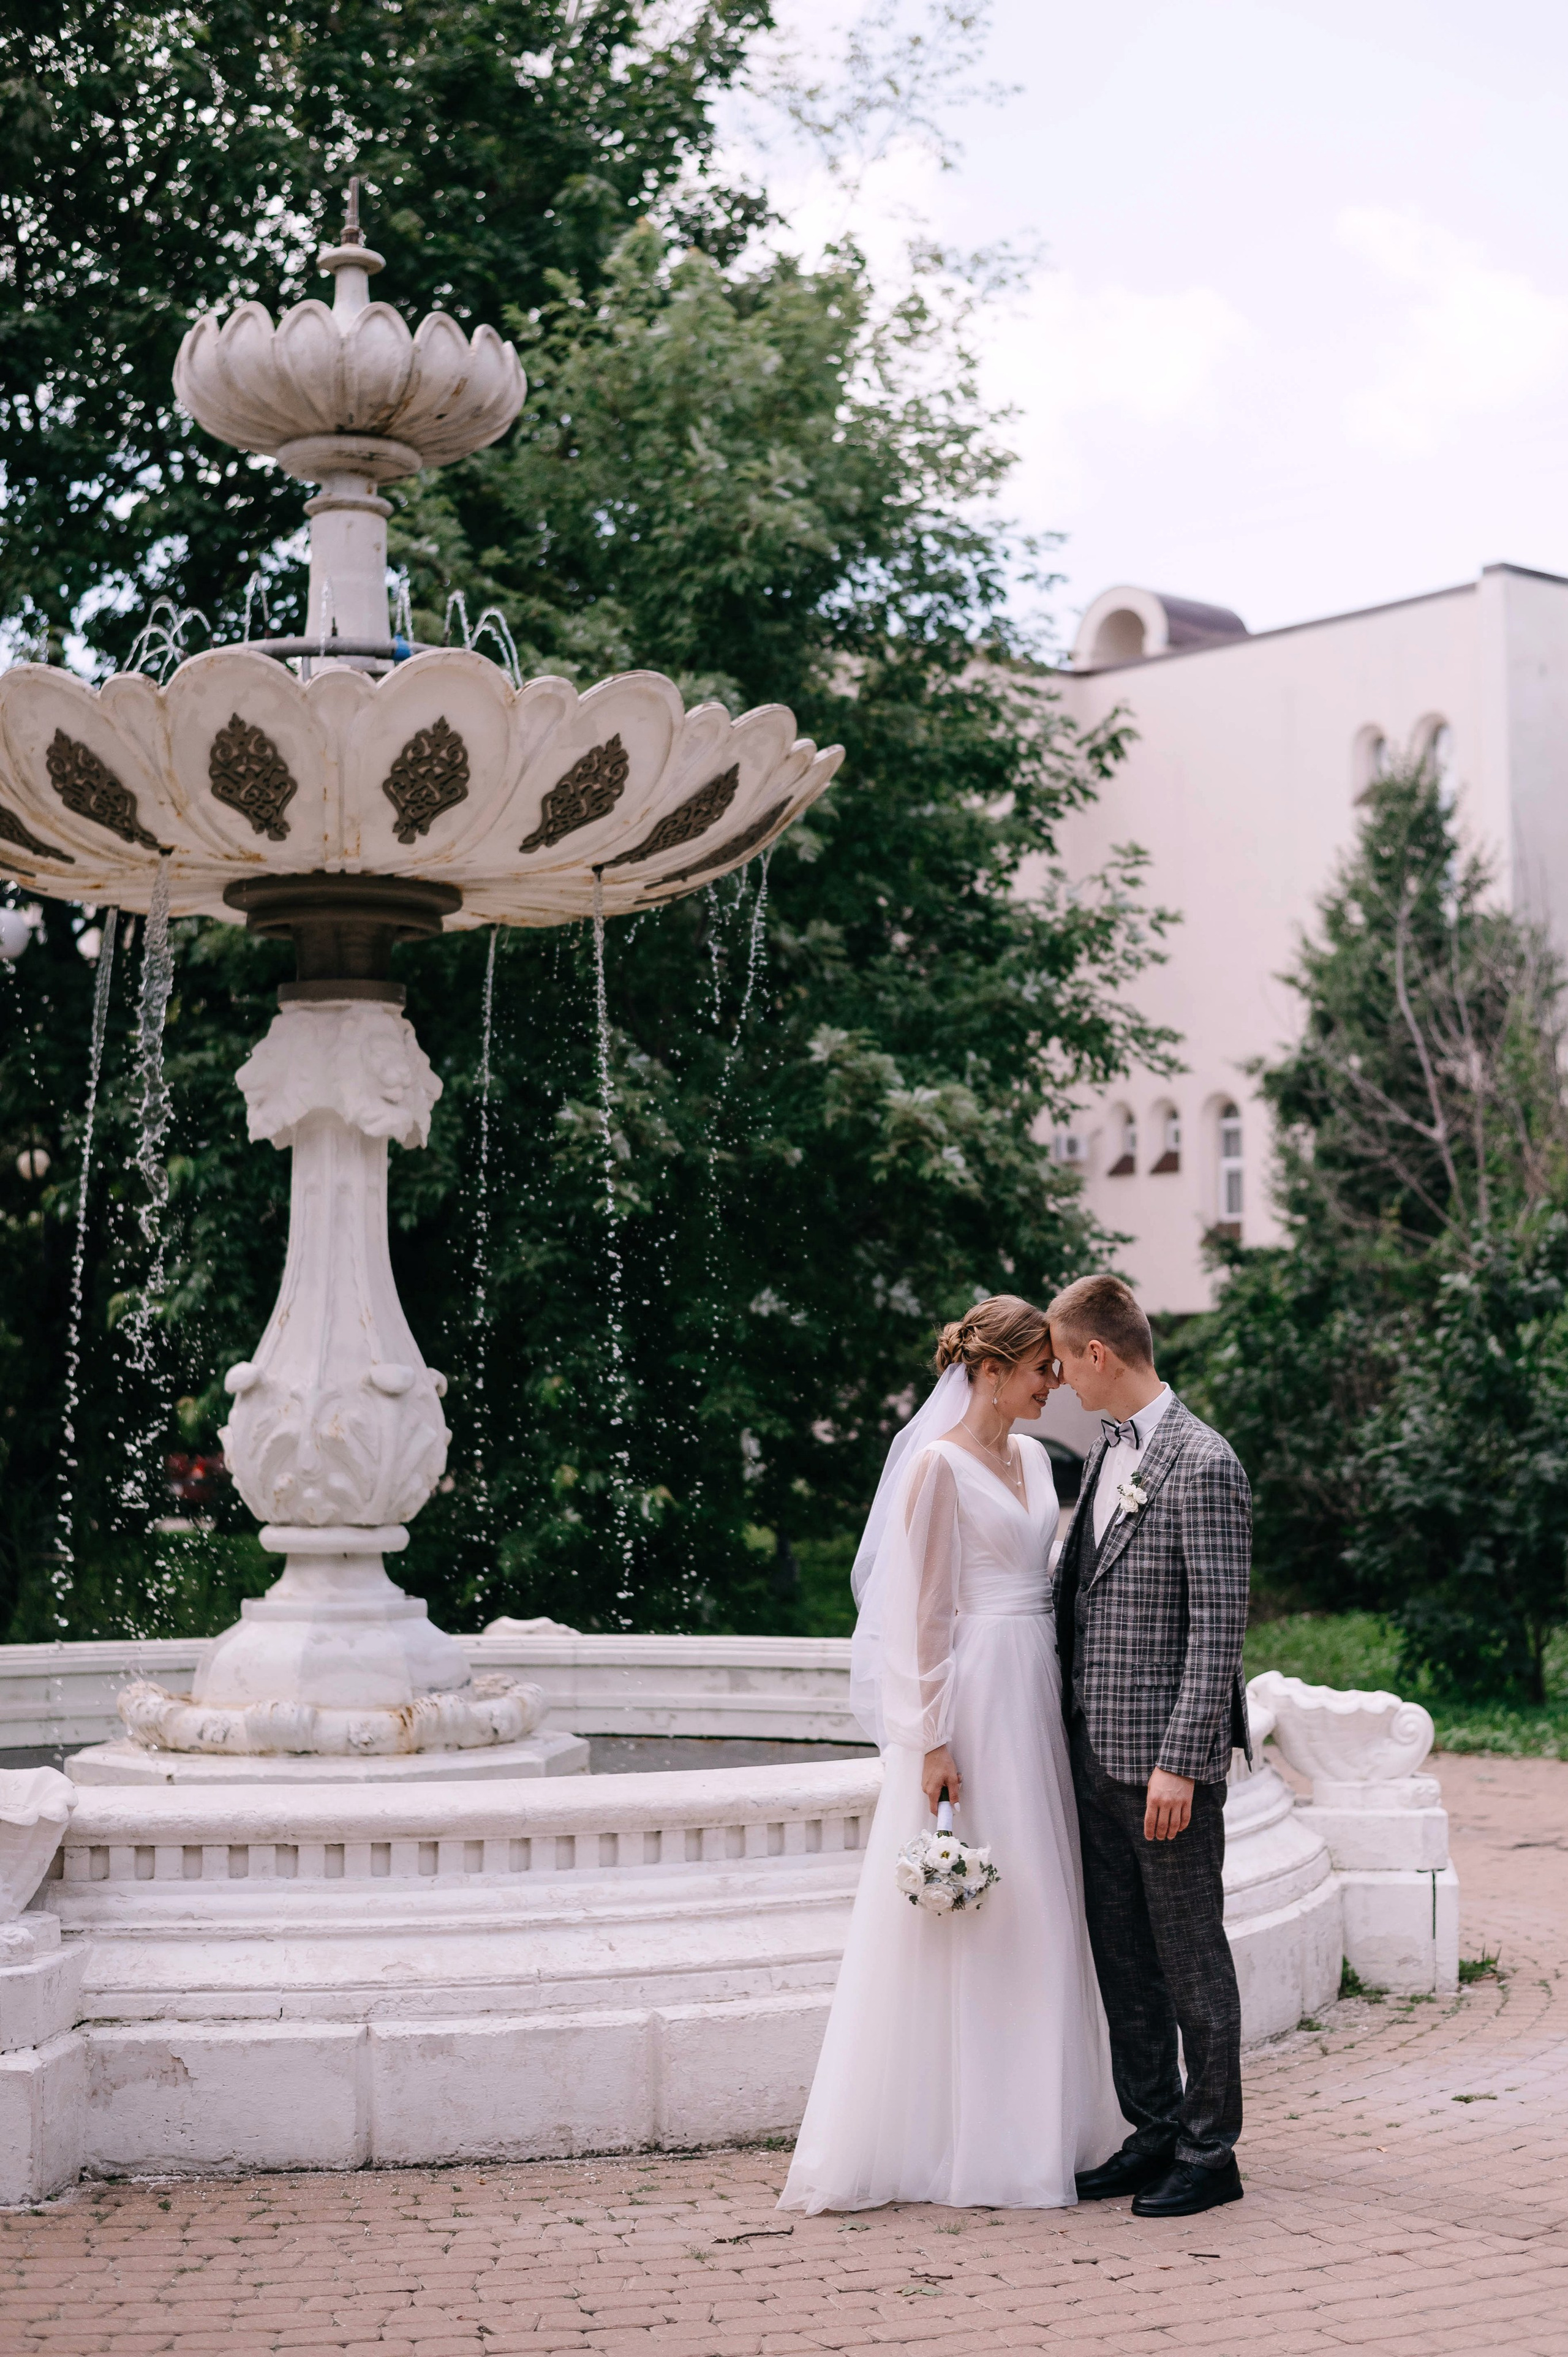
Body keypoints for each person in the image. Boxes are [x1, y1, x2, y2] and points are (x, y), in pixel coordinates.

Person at [778, 1295, 1127, 2214]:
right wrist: (929, 1737)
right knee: (986, 1909)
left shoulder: (1038, 1459)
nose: (1056, 1383)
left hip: (1036, 1696)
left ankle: (1049, 2125)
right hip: (974, 1702)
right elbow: (921, 1614)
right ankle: (968, 2139)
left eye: (1056, 1369)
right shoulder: (936, 1469)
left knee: (1048, 1906)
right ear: (991, 1370)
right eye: (1041, 1369)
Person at [1046, 1272, 1251, 2220]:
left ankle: (1212, 2154)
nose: (1057, 1378)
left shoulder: (1204, 1464)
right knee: (1123, 1958)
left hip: (1164, 1767)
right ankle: (1154, 2131)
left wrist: (1181, 1758)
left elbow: (1218, 1629)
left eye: (1061, 1359)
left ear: (1100, 1352)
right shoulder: (1105, 1453)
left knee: (1189, 1960)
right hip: (1094, 1751)